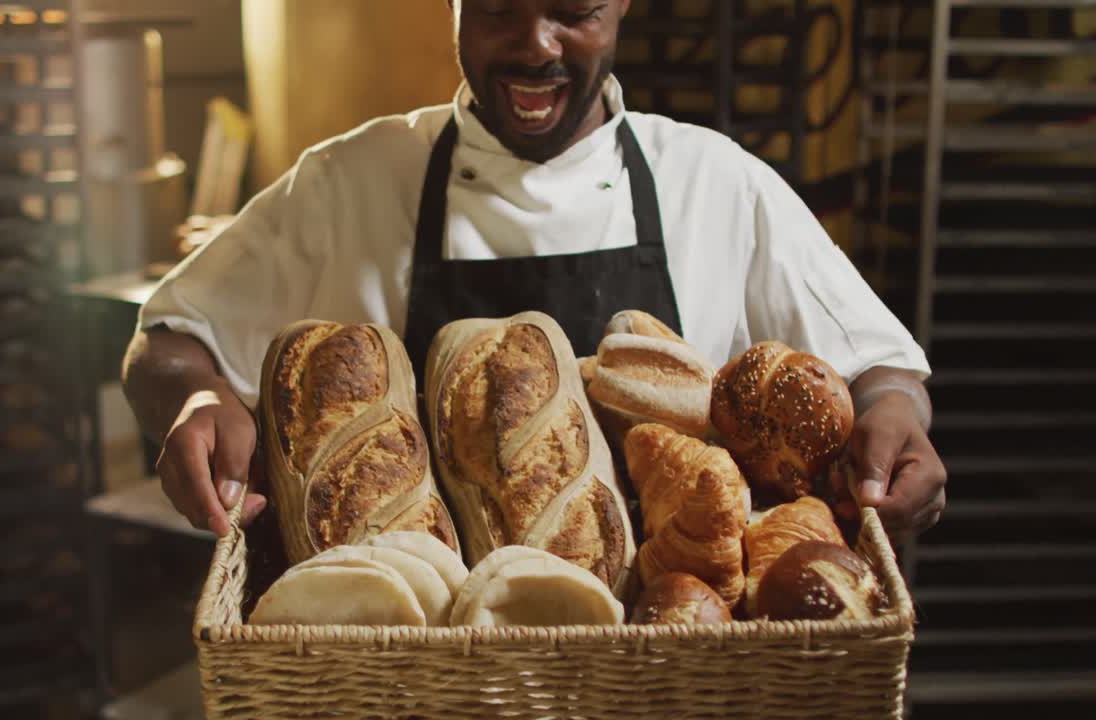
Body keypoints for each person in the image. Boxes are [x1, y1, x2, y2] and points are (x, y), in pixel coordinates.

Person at [121, 0, 946, 543]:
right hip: (424, 663)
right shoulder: (351, 181)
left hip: (669, 659)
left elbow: (879, 364)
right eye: (498, 9)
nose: (535, 45)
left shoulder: (714, 181)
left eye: (572, 10)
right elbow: (168, 340)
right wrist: (193, 399)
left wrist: (895, 411)